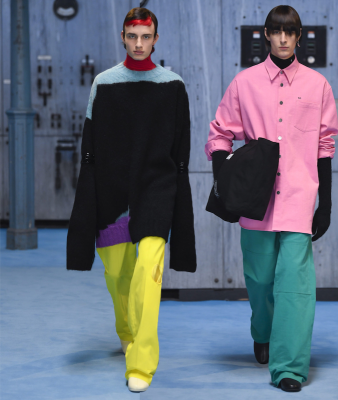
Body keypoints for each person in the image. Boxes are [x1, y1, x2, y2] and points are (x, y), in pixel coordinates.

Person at [205, 5, 337, 393]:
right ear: (266, 34)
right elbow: (219, 136)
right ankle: (262, 331)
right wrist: (227, 185)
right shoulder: (243, 83)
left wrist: (326, 204)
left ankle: (289, 367)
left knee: (295, 287)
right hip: (255, 202)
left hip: (298, 199)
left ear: (299, 36)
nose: (282, 39)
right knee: (260, 281)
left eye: (289, 32)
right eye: (276, 31)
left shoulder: (318, 85)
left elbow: (324, 147)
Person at [66, 7, 197, 393]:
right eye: (132, 36)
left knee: (148, 272)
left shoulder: (173, 85)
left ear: (156, 39)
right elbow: (90, 149)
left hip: (156, 189)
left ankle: (141, 361)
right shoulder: (103, 84)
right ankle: (126, 331)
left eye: (146, 37)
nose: (139, 44)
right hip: (111, 194)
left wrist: (178, 198)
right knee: (118, 276)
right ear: (123, 37)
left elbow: (181, 150)